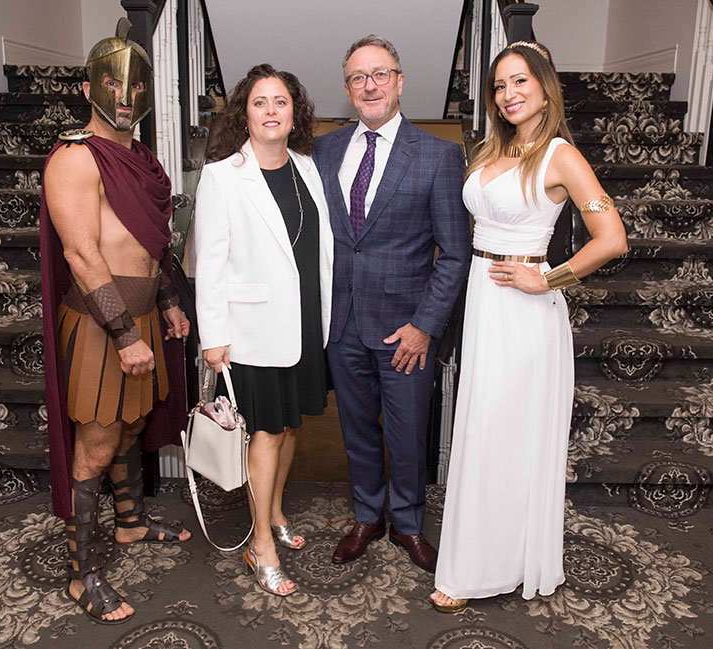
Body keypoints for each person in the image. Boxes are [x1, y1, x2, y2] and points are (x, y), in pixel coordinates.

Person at [430, 41, 628, 613]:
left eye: (520, 81)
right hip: (483, 301)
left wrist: (549, 278)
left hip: (524, 310)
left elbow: (612, 238)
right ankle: (486, 557)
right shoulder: (493, 149)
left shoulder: (561, 155)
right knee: (481, 433)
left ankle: (483, 569)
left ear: (545, 88)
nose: (508, 94)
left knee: (504, 436)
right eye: (499, 85)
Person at [40, 18, 192, 625]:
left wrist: (167, 301)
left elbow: (152, 245)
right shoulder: (75, 159)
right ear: (88, 89)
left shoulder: (142, 159)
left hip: (143, 316)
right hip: (102, 327)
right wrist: (126, 335)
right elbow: (82, 256)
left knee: (132, 424)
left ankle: (129, 522)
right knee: (97, 444)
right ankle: (80, 575)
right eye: (112, 85)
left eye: (136, 88)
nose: (125, 98)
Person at [313, 35, 471, 573]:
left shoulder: (438, 155)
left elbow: (455, 253)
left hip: (407, 330)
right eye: (358, 77)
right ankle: (367, 516)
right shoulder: (325, 150)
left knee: (407, 436)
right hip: (342, 326)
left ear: (400, 82)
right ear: (347, 89)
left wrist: (425, 325)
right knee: (357, 433)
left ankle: (407, 523)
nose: (370, 86)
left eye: (380, 74)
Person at [194, 64, 333, 597]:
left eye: (281, 101)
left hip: (305, 324)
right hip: (251, 331)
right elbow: (210, 262)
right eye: (260, 102)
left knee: (291, 426)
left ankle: (273, 513)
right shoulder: (222, 175)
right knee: (267, 433)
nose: (271, 111)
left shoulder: (308, 168)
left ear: (295, 113)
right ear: (245, 115)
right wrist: (213, 337)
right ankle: (261, 546)